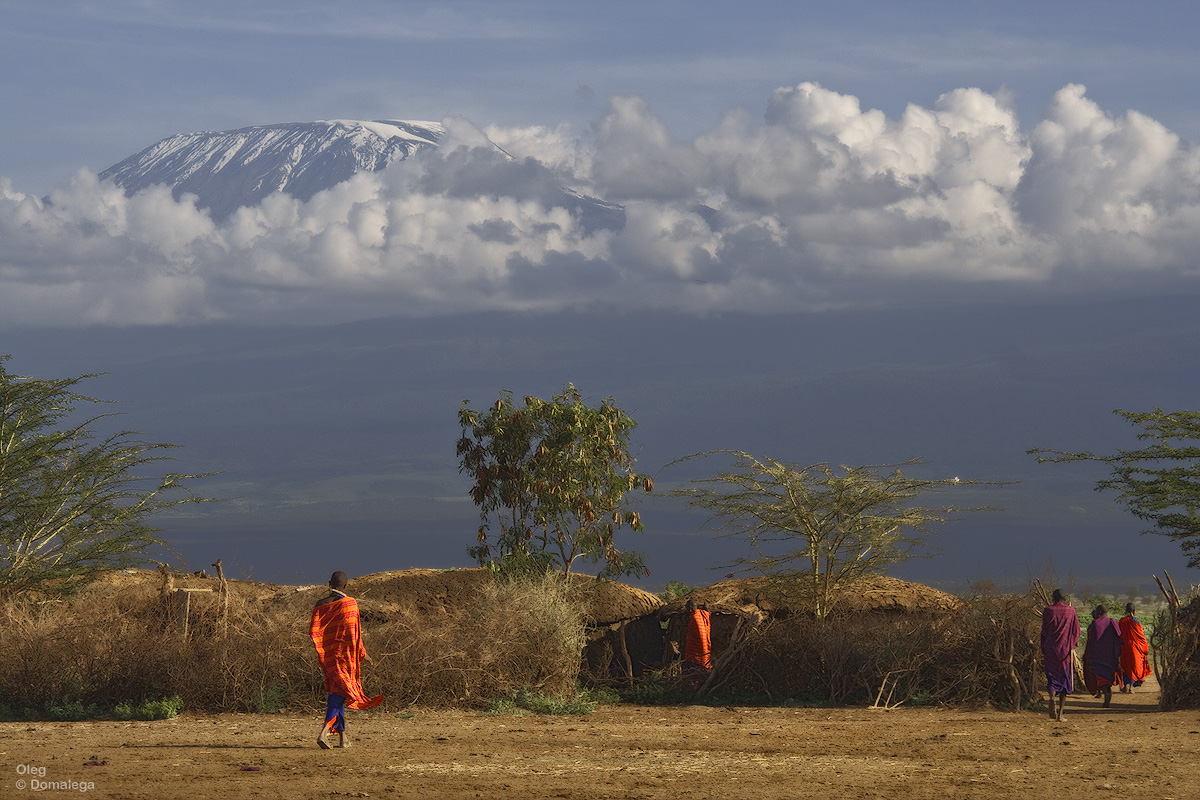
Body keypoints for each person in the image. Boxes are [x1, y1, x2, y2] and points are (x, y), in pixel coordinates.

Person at [310, 571, 383, 748]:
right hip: (346, 658)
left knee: (338, 692)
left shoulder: (320, 605)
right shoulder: (350, 604)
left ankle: (343, 738)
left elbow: (314, 631)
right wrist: (362, 653)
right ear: (345, 586)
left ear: (329, 584)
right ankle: (324, 732)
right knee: (339, 694)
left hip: (328, 657)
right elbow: (353, 633)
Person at [1040, 588, 1079, 721]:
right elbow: (1076, 631)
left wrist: (1044, 647)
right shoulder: (1071, 611)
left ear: (1053, 598)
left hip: (1051, 649)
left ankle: (1051, 698)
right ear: (1064, 598)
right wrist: (1071, 643)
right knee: (1064, 680)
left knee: (1052, 677)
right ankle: (1061, 714)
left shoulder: (1048, 610)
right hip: (1065, 652)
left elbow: (1044, 631)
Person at [1083, 604, 1124, 708]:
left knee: (1101, 678)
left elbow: (1091, 641)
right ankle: (1107, 695)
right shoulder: (1112, 622)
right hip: (1110, 657)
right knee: (1107, 677)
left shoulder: (1095, 624)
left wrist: (1088, 654)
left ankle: (1106, 695)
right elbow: (1119, 638)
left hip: (1097, 656)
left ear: (1099, 612)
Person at [1118, 602, 1152, 692]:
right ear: (1134, 611)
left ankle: (1126, 685)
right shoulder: (1136, 621)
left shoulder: (1122, 621)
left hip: (1125, 647)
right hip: (1136, 647)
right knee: (1135, 666)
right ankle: (1131, 686)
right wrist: (1145, 648)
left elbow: (1120, 635)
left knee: (1125, 666)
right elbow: (1141, 635)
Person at [683, 598, 712, 671]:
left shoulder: (695, 617)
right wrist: (706, 608)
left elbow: (700, 636)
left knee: (691, 669)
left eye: (687, 608)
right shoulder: (702, 614)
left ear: (690, 608)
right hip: (703, 650)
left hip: (697, 652)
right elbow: (708, 612)